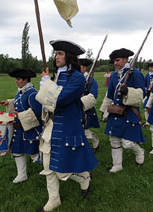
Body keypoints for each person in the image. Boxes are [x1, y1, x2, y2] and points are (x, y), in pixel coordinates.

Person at [35, 40, 98, 212]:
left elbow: (60, 100)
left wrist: (46, 85)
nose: (57, 57)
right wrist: (48, 83)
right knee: (47, 165)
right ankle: (54, 199)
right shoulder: (57, 75)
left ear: (69, 57)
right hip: (52, 125)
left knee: (62, 168)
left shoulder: (77, 78)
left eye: (60, 54)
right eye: (56, 54)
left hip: (67, 127)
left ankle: (83, 177)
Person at [99, 48, 146, 173]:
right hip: (115, 112)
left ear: (126, 60)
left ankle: (140, 152)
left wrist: (128, 91)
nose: (115, 63)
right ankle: (117, 164)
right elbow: (109, 95)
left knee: (128, 142)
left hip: (129, 112)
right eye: (114, 61)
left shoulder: (135, 73)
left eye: (118, 60)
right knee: (114, 140)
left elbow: (142, 93)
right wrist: (103, 110)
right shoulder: (114, 75)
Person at [1, 68, 43, 183]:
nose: (16, 81)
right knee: (17, 151)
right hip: (19, 128)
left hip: (31, 129)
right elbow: (18, 101)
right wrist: (9, 103)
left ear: (26, 80)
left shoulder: (33, 93)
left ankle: (56, 170)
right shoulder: (21, 91)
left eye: (18, 79)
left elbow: (38, 112)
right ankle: (22, 174)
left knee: (36, 154)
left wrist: (19, 115)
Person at [79, 58, 100, 150]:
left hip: (85, 108)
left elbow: (93, 96)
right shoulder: (75, 79)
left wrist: (80, 102)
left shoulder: (91, 81)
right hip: (75, 109)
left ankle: (95, 140)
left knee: (85, 131)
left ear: (84, 68)